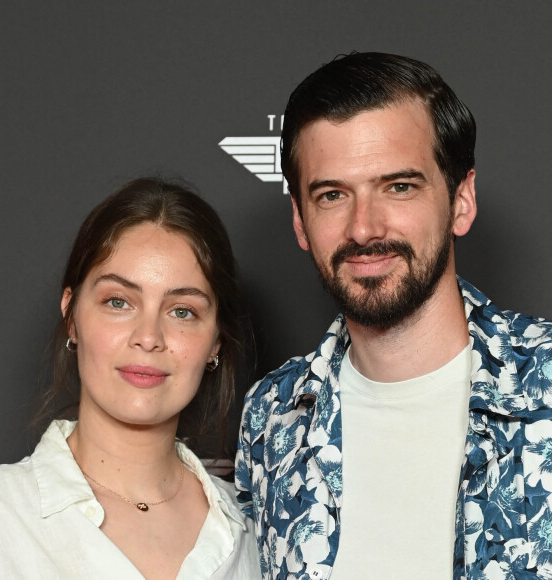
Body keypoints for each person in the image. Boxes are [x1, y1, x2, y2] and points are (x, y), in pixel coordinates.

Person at [235, 52, 552, 579]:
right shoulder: (272, 417)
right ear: (300, 220)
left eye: (398, 187)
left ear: (461, 200)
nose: (364, 228)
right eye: (333, 194)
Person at [0, 177, 261, 579]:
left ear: (215, 342)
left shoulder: (262, 536)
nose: (148, 338)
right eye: (118, 302)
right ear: (72, 316)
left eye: (182, 311)